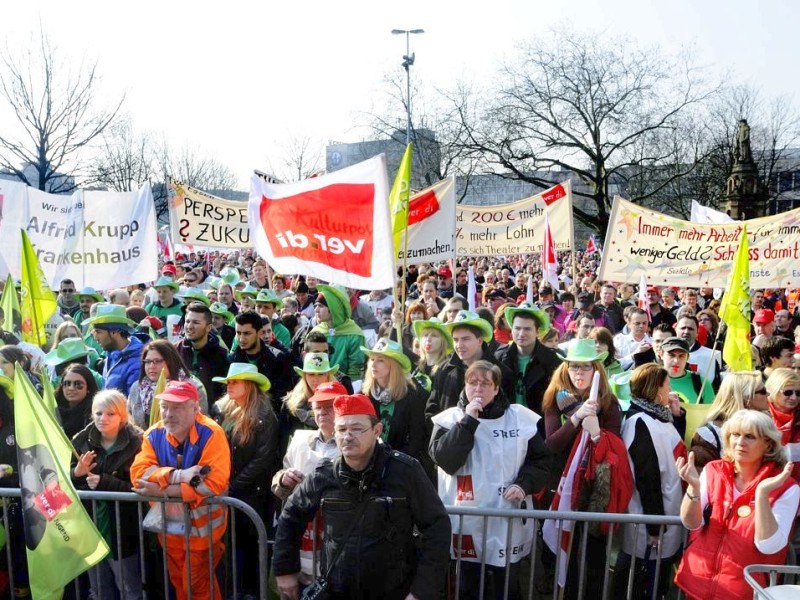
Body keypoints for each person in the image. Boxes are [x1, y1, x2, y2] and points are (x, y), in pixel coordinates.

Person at [273, 393, 451, 600]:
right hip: (338, 591)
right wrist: (285, 570)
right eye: (341, 429)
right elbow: (291, 517)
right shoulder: (324, 475)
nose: (347, 436)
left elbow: (437, 526)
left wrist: (422, 591)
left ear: (377, 430)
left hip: (394, 591)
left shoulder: (406, 471)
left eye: (357, 429)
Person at [430, 361, 550, 600]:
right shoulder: (447, 420)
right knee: (469, 588)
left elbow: (542, 462)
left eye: (485, 384)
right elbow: (446, 460)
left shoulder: (520, 418)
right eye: (472, 383)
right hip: (466, 524)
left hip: (508, 519)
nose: (478, 389)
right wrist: (468, 422)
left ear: (496, 389)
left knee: (506, 589)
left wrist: (523, 483)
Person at [674, 410, 800, 600]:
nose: (740, 442)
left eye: (750, 436)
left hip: (745, 592)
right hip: (696, 585)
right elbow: (691, 523)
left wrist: (762, 495)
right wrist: (694, 488)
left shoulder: (787, 487)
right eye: (735, 435)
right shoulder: (713, 469)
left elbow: (769, 546)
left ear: (768, 444)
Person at [541, 338, 628, 600]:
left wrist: (597, 433)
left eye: (585, 367)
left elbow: (614, 449)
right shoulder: (556, 398)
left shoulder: (609, 404)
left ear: (596, 371)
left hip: (593, 492)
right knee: (559, 553)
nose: (579, 373)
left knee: (592, 557)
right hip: (562, 486)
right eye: (574, 367)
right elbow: (551, 444)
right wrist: (576, 419)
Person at [130, 381, 231, 600]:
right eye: (165, 407)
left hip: (203, 533)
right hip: (170, 531)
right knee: (182, 586)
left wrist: (161, 490)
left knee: (196, 587)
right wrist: (177, 476)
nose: (168, 414)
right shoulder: (153, 434)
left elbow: (213, 484)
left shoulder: (212, 433)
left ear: (195, 408)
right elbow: (138, 476)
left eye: (176, 407)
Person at [614, 364, 685, 600]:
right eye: (668, 385)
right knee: (643, 586)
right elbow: (647, 477)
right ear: (656, 390)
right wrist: (654, 526)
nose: (671, 389)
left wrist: (677, 418)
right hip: (650, 522)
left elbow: (673, 448)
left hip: (665, 515)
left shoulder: (657, 416)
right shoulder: (640, 422)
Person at [212, 363, 278, 600]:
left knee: (249, 549)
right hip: (227, 490)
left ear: (249, 385)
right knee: (230, 548)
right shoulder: (223, 411)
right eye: (228, 382)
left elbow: (263, 459)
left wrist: (235, 484)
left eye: (234, 382)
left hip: (251, 495)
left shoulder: (264, 415)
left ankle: (251, 593)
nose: (228, 385)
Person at [72, 390, 144, 600]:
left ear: (122, 415)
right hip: (90, 524)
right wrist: (77, 473)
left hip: (123, 526)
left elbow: (140, 484)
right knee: (98, 588)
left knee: (129, 586)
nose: (102, 419)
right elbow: (65, 478)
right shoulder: (81, 439)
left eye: (110, 414)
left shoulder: (138, 441)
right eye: (98, 413)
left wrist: (105, 482)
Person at [272, 382, 343, 585]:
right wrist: (283, 479)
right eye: (318, 407)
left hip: (339, 546)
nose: (322, 412)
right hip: (302, 543)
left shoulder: (359, 443)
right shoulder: (300, 440)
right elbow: (279, 478)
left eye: (329, 406)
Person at [361, 339, 427, 463]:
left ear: (394, 365)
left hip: (399, 465)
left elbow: (416, 438)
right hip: (368, 462)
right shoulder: (364, 395)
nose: (373, 365)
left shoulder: (412, 396)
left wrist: (397, 463)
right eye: (372, 359)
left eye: (380, 360)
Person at [691, 371, 767, 469]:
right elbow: (703, 480)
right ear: (746, 398)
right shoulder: (709, 436)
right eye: (763, 391)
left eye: (749, 437)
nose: (768, 394)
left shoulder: (766, 425)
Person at [127, 339, 209, 429]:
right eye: (147, 362)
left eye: (157, 361)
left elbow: (201, 425)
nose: (151, 366)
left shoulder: (194, 388)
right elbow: (130, 419)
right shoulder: (137, 388)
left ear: (171, 361)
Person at [495, 302, 561, 413]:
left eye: (527, 329)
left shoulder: (551, 360)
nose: (521, 334)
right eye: (517, 328)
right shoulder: (500, 357)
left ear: (537, 331)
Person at [230, 311, 297, 414]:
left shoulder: (277, 358)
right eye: (238, 333)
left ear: (259, 332)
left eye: (247, 333)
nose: (241, 338)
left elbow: (283, 398)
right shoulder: (232, 360)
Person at [280, 352, 340, 454]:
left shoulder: (339, 401)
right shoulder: (290, 404)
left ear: (328, 376)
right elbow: (283, 440)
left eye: (321, 374)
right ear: (304, 376)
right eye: (311, 374)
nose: (315, 379)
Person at [175, 302, 229, 404]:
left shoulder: (222, 356)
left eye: (196, 322)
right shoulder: (175, 351)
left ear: (208, 327)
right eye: (187, 321)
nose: (189, 326)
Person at [311, 284, 366, 383]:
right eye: (315, 306)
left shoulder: (355, 334)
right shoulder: (315, 333)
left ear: (334, 308)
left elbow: (355, 371)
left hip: (345, 388)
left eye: (321, 306)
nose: (316, 310)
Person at [86, 304, 143, 396]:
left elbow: (132, 406)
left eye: (98, 332)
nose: (95, 337)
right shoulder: (111, 354)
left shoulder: (137, 364)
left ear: (114, 332)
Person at [765, 367, 800, 479]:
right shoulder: (760, 416)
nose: (794, 397)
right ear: (774, 390)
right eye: (788, 392)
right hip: (767, 479)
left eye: (798, 392)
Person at [659, 336, 715, 404]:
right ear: (661, 354)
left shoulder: (702, 383)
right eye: (671, 355)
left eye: (681, 356)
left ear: (687, 358)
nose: (676, 361)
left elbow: (710, 412)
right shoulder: (651, 379)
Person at [55, 363, 99, 440]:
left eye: (78, 384)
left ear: (88, 388)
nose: (71, 388)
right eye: (67, 384)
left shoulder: (96, 414)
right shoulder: (53, 410)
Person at [410, 317, 452, 393]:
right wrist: (395, 324)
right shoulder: (416, 363)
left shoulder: (446, 369)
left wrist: (412, 382)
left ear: (443, 341)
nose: (428, 339)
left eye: (434, 335)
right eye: (425, 335)